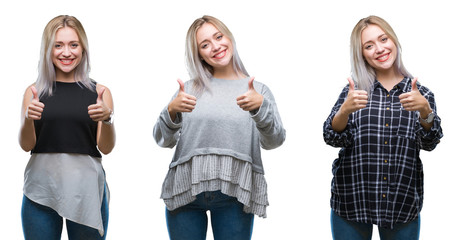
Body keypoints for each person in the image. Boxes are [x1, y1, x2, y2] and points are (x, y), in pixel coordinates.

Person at [153, 15, 285, 240]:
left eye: (218, 36)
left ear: (229, 37)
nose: (215, 46)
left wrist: (260, 108)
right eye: (205, 45)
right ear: (199, 54)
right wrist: (171, 110)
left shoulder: (258, 91)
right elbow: (162, 140)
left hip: (233, 195)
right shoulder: (189, 88)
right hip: (186, 192)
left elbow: (274, 141)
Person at [323, 15, 443, 240]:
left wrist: (425, 112)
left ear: (394, 41)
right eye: (369, 46)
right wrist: (344, 111)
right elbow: (332, 137)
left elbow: (430, 142)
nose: (379, 48)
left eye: (383, 39)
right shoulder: (354, 92)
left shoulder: (421, 94)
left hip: (401, 204)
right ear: (362, 54)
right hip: (352, 203)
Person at [19, 15, 115, 240]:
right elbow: (26, 145)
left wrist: (108, 118)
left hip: (86, 190)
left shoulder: (100, 92)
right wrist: (27, 119)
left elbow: (106, 147)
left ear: (83, 48)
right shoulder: (34, 92)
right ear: (48, 49)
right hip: (41, 189)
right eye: (58, 45)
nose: (66, 52)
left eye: (74, 45)